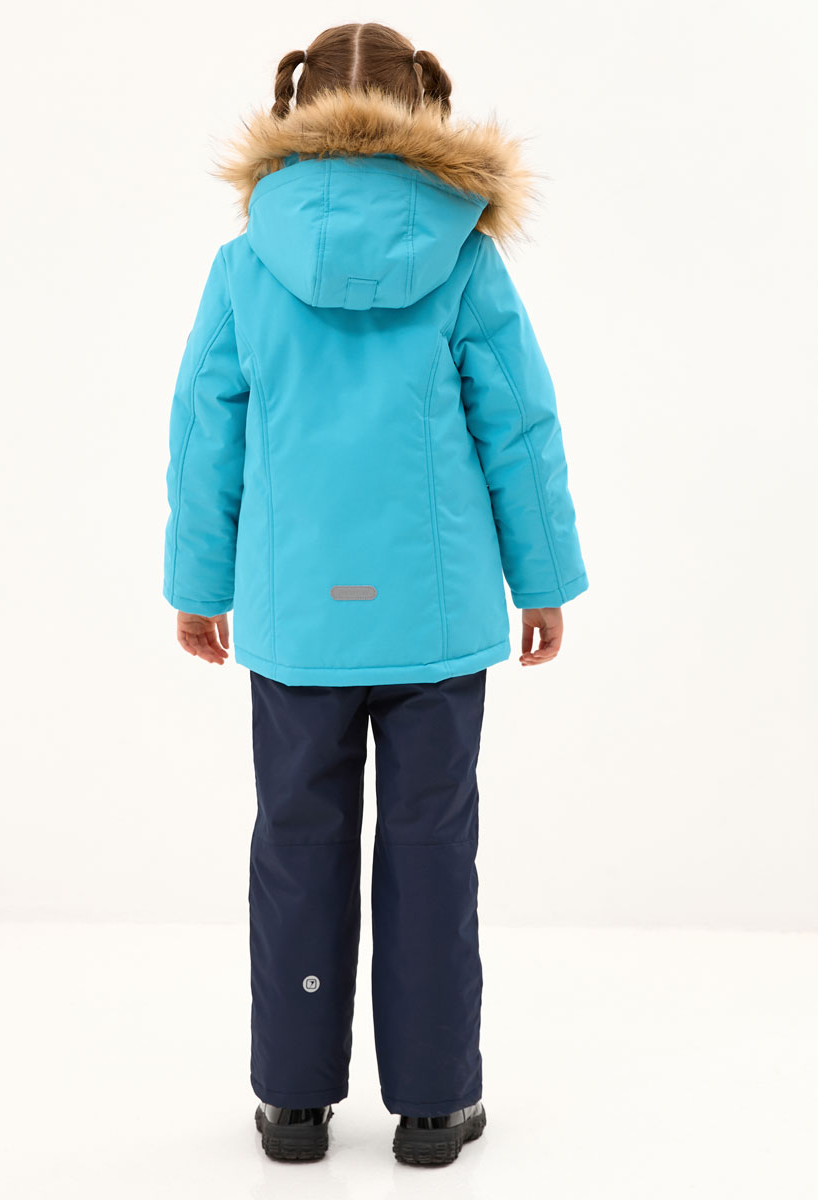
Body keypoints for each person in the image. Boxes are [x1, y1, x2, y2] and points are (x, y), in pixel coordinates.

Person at [162, 22, 588, 1167]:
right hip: (435, 618)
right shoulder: (465, 255)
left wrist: (199, 585)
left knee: (296, 843)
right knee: (431, 847)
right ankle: (437, 1107)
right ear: (427, 110)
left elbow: (206, 434)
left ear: (294, 110)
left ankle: (294, 1105)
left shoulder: (247, 261)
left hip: (296, 613)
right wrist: (543, 580)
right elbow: (519, 425)